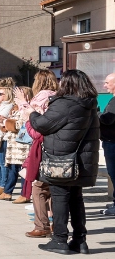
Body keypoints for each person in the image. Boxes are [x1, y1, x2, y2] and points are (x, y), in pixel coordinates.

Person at [29, 70, 100, 255]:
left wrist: (31, 114)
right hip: (81, 161)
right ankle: (79, 241)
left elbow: (42, 124)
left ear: (67, 83)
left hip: (61, 160)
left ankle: (59, 240)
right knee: (76, 200)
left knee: (60, 199)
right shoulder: (90, 104)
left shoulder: (65, 104)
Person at [17, 71, 58, 238]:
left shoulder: (41, 98)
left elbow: (35, 129)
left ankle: (41, 225)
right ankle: (55, 221)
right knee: (55, 186)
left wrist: (23, 106)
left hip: (43, 147)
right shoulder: (58, 96)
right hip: (58, 147)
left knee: (39, 187)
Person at [100, 72, 115, 216]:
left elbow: (108, 119)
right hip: (110, 142)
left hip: (112, 143)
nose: (105, 85)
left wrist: (95, 114)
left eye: (107, 82)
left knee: (114, 174)